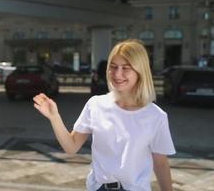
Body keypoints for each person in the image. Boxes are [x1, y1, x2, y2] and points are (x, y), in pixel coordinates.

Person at [34, 39, 175, 191]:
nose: (117, 74)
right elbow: (71, 147)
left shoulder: (156, 116)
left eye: (125, 68)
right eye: (113, 67)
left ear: (140, 71)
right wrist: (54, 117)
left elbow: (160, 164)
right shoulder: (95, 105)